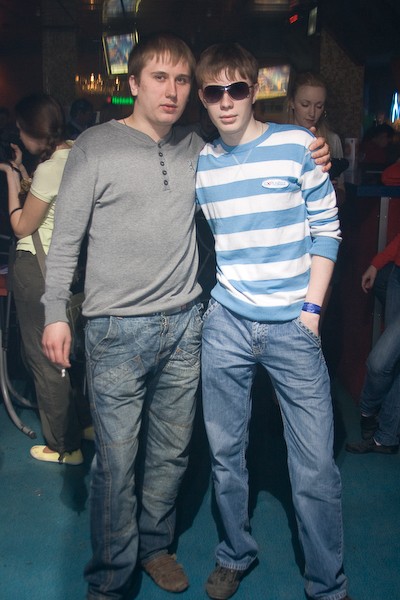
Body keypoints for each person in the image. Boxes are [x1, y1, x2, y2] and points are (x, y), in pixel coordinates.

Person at [41, 32, 331, 600]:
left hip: (186, 324)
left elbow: (253, 146)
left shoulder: (197, 147)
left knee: (172, 454)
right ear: (133, 83)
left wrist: (312, 148)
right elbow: (65, 239)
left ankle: (155, 546)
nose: (171, 91)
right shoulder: (94, 147)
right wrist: (55, 312)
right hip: (115, 329)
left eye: (180, 80)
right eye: (159, 78)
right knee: (115, 463)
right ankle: (110, 578)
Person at [195, 42, 351, 600]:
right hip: (228, 324)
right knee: (225, 455)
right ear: (203, 98)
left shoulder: (298, 146)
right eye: (214, 91)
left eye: (237, 88)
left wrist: (312, 312)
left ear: (255, 89)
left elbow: (327, 230)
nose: (226, 101)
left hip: (293, 326)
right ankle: (234, 553)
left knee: (314, 467)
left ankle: (327, 583)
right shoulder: (201, 163)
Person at [0, 93, 92, 465]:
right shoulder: (78, 154)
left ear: (33, 131)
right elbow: (49, 203)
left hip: (37, 270)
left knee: (43, 358)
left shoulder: (51, 167)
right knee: (71, 354)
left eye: (22, 130)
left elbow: (22, 224)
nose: (20, 138)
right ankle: (82, 423)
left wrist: (10, 179)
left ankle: (63, 446)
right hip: (69, 271)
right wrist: (25, 171)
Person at [345, 232, 400, 455]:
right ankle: (386, 438)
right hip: (397, 277)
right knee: (395, 361)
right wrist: (377, 264)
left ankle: (368, 411)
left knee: (380, 361)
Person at [287, 71, 346, 205]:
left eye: (319, 106)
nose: (312, 113)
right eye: (305, 105)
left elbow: (342, 194)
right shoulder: (279, 139)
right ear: (292, 102)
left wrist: (331, 192)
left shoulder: (332, 139)